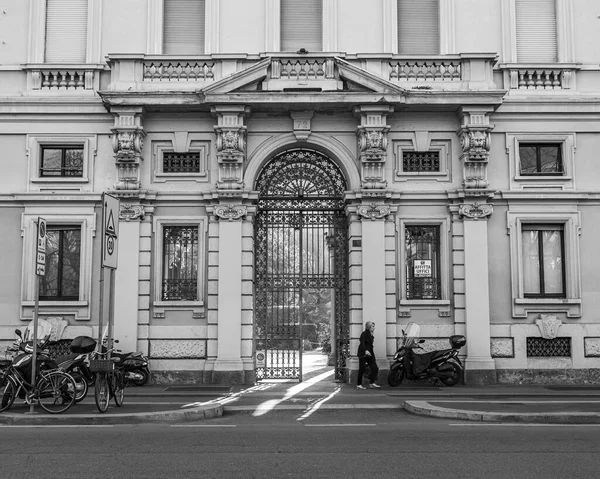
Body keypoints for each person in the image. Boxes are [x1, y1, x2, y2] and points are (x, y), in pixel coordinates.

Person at [356, 321, 380, 389]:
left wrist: (371, 354)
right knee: (362, 369)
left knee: (374, 367)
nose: (374, 328)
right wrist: (365, 350)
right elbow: (362, 343)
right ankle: (359, 384)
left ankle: (372, 382)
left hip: (370, 354)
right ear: (368, 327)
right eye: (372, 326)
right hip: (363, 353)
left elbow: (370, 345)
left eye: (374, 326)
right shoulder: (364, 334)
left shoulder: (371, 334)